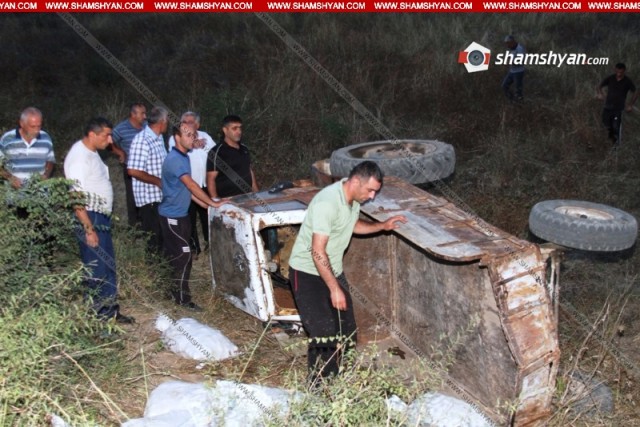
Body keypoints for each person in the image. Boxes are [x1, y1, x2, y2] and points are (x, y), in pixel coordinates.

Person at [288, 161, 407, 381]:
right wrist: (334, 289)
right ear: (355, 181)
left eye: (375, 192)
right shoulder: (327, 202)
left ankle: (344, 381)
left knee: (347, 331)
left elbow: (351, 225)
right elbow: (317, 251)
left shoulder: (352, 200)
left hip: (332, 270)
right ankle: (320, 389)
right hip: (306, 273)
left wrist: (382, 226)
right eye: (370, 190)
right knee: (324, 334)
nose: (372, 196)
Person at [63, 117, 133, 324]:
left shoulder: (92, 153)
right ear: (92, 134)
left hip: (100, 217)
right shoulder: (79, 158)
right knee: (96, 268)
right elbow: (76, 197)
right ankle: (97, 317)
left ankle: (109, 311)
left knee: (107, 265)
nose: (110, 140)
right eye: (106, 135)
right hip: (90, 217)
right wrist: (88, 228)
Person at [159, 123, 227, 311]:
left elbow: (187, 190)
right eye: (188, 135)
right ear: (177, 137)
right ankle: (182, 299)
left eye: (194, 135)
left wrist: (205, 205)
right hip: (172, 217)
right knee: (184, 256)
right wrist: (212, 202)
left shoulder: (184, 156)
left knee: (177, 255)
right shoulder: (175, 159)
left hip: (181, 215)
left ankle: (172, 291)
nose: (192, 138)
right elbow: (191, 185)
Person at [168, 111, 216, 257]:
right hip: (186, 185)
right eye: (184, 122)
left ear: (197, 124)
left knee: (208, 215)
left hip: (204, 184)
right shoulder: (175, 137)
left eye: (190, 122)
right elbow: (177, 150)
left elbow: (215, 154)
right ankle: (193, 248)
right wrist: (194, 144)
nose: (186, 124)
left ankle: (211, 244)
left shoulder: (205, 136)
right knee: (189, 218)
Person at [127, 106, 168, 254]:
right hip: (149, 198)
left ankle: (163, 265)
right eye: (167, 120)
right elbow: (133, 170)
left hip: (160, 196)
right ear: (162, 121)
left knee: (162, 237)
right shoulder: (142, 140)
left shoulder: (159, 138)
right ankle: (153, 267)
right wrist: (158, 181)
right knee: (154, 239)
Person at [0, 107, 55, 189]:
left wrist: (46, 175)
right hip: (13, 192)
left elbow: (50, 160)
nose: (36, 130)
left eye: (39, 126)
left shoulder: (45, 138)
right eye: (32, 126)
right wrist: (10, 177)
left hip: (39, 191)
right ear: (22, 124)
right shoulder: (8, 139)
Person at [206, 115, 258, 199]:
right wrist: (216, 201)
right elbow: (210, 180)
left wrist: (257, 194)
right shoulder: (217, 152)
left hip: (248, 197)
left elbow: (249, 171)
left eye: (240, 128)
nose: (239, 131)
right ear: (225, 130)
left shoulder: (244, 149)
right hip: (228, 200)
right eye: (234, 128)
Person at [112, 103, 147, 226]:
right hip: (131, 168)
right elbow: (108, 141)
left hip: (147, 168)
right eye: (142, 113)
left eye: (145, 113)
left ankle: (146, 224)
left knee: (147, 196)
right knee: (132, 197)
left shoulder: (147, 126)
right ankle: (134, 225)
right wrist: (119, 152)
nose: (145, 116)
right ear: (133, 114)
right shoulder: (121, 128)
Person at [597, 63, 638, 146]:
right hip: (607, 106)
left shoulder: (627, 81)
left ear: (624, 71)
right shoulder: (611, 78)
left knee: (616, 127)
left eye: (621, 72)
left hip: (618, 108)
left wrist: (630, 105)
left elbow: (636, 92)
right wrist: (600, 94)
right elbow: (599, 86)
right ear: (615, 70)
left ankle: (616, 147)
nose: (619, 74)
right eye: (617, 72)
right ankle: (607, 142)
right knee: (606, 125)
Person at [502, 35, 526, 102]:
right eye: (506, 43)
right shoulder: (511, 48)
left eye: (508, 43)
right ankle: (512, 101)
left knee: (518, 91)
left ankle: (520, 103)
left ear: (512, 42)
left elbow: (521, 61)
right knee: (504, 86)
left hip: (518, 72)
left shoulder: (520, 49)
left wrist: (510, 62)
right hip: (511, 71)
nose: (507, 45)